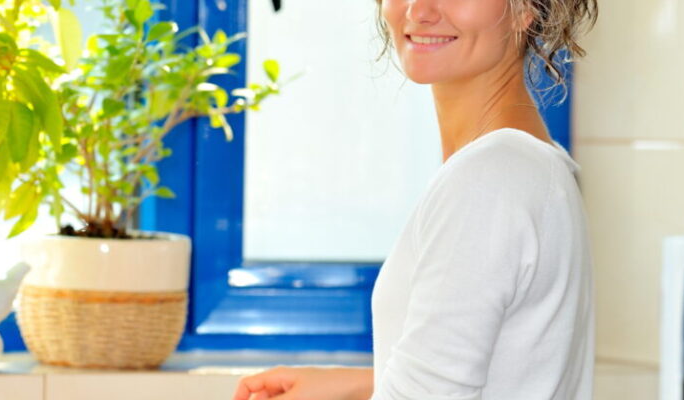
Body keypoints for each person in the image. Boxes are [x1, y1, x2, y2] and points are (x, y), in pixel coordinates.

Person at [233, 0, 598, 398]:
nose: (419, 11)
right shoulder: (536, 166)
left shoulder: (490, 177)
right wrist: (359, 386)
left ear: (526, 9)